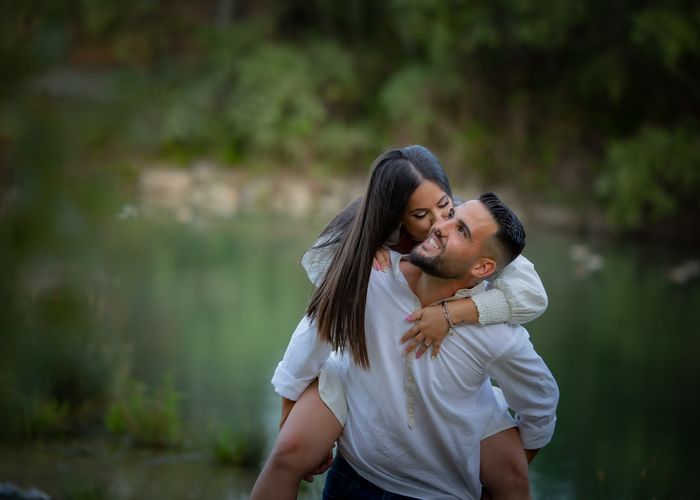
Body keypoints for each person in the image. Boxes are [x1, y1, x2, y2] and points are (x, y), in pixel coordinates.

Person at [250, 147, 549, 499]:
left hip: (445, 450)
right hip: (360, 424)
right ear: (396, 219)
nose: (439, 223)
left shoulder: (476, 228)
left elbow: (532, 297)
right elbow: (319, 321)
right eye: (421, 214)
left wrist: (454, 314)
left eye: (446, 207)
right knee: (287, 452)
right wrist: (369, 246)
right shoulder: (372, 258)